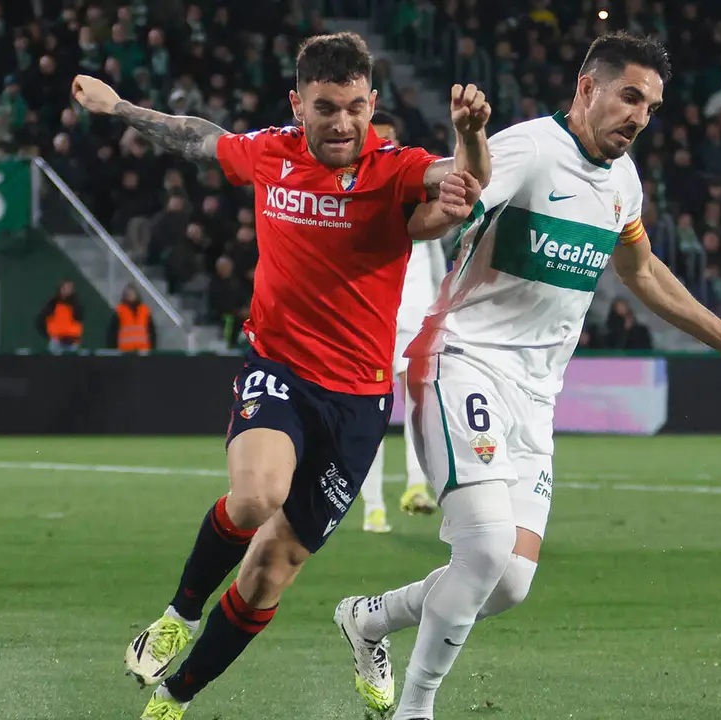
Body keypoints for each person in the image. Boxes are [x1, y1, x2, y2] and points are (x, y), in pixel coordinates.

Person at [335, 32, 721, 720]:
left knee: (508, 583)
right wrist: (453, 171)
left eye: (651, 107)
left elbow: (640, 271)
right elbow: (448, 209)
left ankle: (369, 619)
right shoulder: (527, 150)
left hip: (536, 396)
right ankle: (416, 709)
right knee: (485, 549)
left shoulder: (624, 182)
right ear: (586, 88)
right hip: (462, 360)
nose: (639, 117)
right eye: (629, 96)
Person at [70, 30, 492, 720]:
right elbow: (198, 137)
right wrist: (119, 107)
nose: (343, 123)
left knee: (272, 570)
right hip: (281, 370)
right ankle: (179, 614)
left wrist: (471, 135)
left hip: (358, 401)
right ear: (298, 105)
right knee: (256, 495)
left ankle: (173, 700)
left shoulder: (395, 167)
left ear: (372, 102)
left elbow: (467, 180)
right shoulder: (272, 153)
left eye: (355, 107)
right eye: (326, 107)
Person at [358, 110, 442, 533]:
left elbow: (436, 260)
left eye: (391, 137)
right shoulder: (356, 196)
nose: (386, 144)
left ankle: (416, 485)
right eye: (379, 137)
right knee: (372, 415)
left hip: (413, 320)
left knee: (418, 409)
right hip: (372, 322)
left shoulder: (416, 190)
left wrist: (439, 311)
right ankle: (372, 505)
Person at [36, 280, 84, 352]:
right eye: (65, 288)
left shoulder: (77, 305)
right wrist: (49, 334)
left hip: (73, 341)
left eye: (70, 288)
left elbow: (79, 319)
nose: (67, 291)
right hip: (56, 341)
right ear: (60, 289)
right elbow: (41, 319)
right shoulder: (53, 303)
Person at [108, 284, 156, 352]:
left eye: (132, 293)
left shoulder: (145, 311)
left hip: (143, 351)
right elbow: (112, 333)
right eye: (128, 294)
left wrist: (152, 348)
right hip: (125, 352)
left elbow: (152, 332)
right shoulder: (119, 311)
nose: (130, 295)